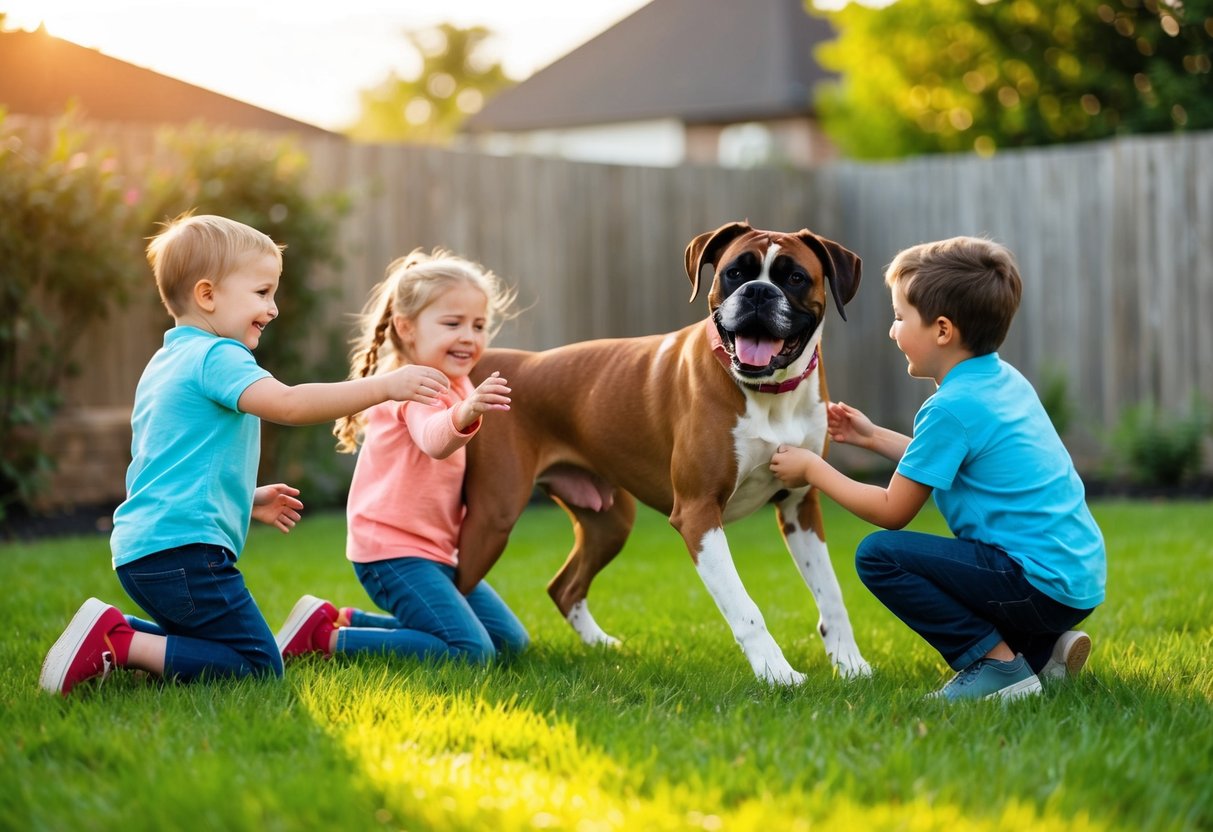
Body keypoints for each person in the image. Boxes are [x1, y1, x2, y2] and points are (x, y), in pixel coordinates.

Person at [39, 213, 450, 696]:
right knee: (258, 665)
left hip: (146, 551)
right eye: (261, 293)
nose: (272, 308)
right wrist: (383, 385)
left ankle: (111, 634)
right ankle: (120, 642)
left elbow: (172, 464)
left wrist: (245, 498)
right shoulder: (218, 356)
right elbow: (291, 404)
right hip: (186, 555)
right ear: (208, 295)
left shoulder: (167, 360)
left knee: (208, 644)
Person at [769, 236, 1105, 701]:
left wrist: (812, 468)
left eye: (899, 317)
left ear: (942, 330)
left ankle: (997, 665)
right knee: (976, 569)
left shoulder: (950, 408)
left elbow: (893, 509)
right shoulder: (1002, 381)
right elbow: (950, 462)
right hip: (1076, 581)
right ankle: (1045, 651)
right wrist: (872, 437)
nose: (892, 331)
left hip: (1034, 583)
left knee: (879, 556)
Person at [275, 248, 530, 665]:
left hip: (436, 552)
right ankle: (323, 641)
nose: (469, 335)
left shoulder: (459, 382)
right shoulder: (412, 385)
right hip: (391, 553)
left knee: (509, 644)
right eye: (453, 323)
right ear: (407, 328)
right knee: (470, 652)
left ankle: (344, 621)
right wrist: (465, 413)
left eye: (479, 325)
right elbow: (433, 437)